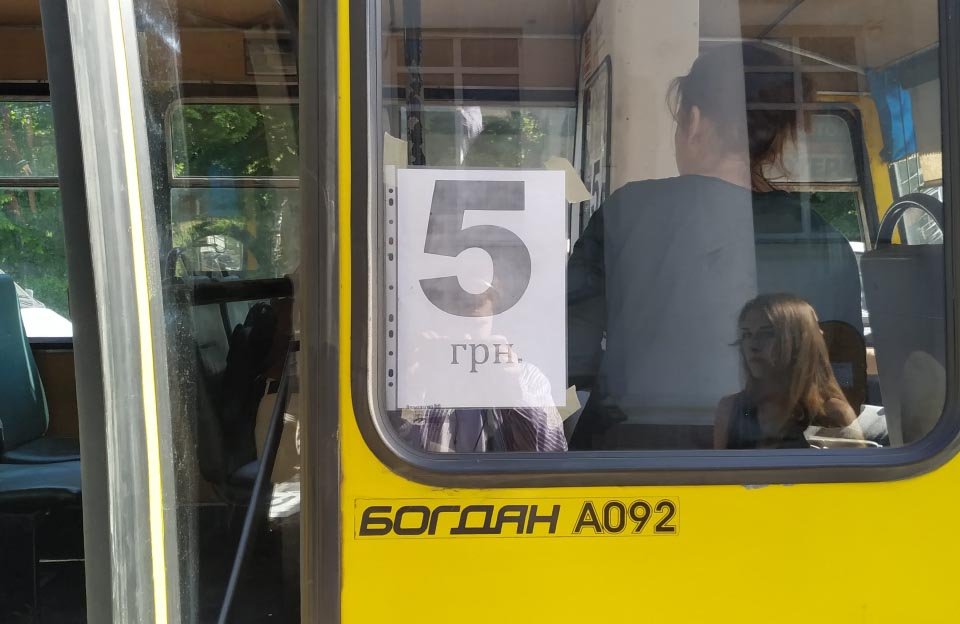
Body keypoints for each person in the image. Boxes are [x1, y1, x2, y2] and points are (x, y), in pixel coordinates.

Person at [567, 43, 862, 450]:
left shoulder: (627, 211)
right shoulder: (824, 240)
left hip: (627, 458)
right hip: (767, 463)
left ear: (693, 122)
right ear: (778, 136)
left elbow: (571, 351)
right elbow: (844, 388)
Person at [714, 294, 861, 449]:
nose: (753, 345)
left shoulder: (832, 415)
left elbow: (858, 465)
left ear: (798, 342)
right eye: (746, 334)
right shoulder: (730, 410)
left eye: (767, 333)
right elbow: (720, 465)